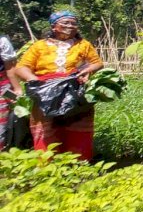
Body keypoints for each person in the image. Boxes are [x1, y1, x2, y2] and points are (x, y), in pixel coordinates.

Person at [14, 11, 103, 160]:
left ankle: (78, 165)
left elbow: (97, 63)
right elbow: (21, 68)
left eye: (73, 23)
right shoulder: (39, 46)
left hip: (75, 90)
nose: (70, 26)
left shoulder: (83, 45)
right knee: (46, 128)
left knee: (77, 126)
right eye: (66, 23)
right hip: (45, 91)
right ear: (54, 26)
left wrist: (87, 70)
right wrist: (34, 80)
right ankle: (47, 166)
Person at [0, 35, 23, 151]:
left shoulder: (2, 41)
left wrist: (17, 89)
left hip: (2, 86)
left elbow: (10, 69)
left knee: (1, 124)